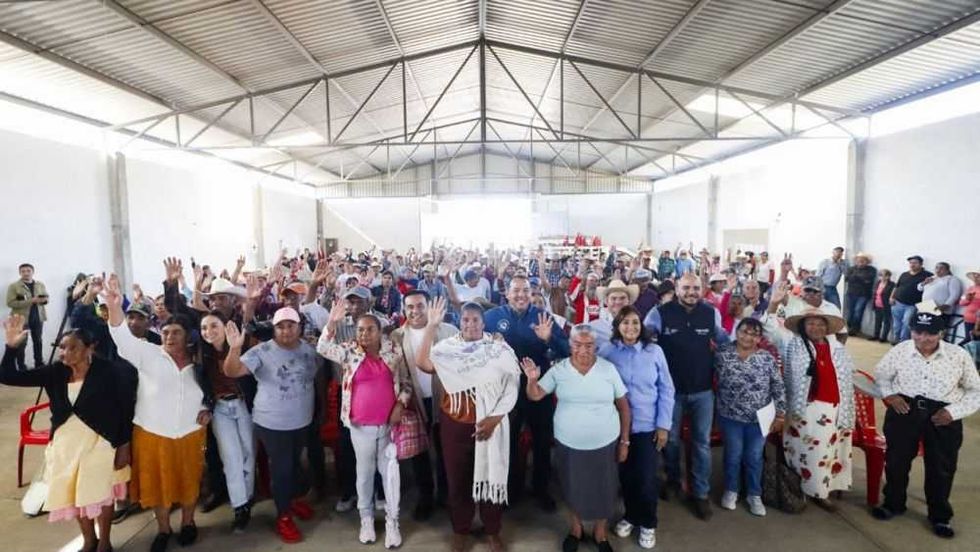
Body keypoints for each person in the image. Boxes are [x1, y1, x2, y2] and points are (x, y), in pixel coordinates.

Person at [2, 315, 136, 552]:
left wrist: (124, 445)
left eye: (73, 347)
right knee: (75, 492)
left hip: (100, 442)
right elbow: (8, 377)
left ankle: (104, 540)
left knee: (100, 493)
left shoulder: (109, 371)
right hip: (66, 443)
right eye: (62, 347)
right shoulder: (56, 372)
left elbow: (125, 409)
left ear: (90, 348)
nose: (66, 353)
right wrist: (11, 348)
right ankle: (89, 540)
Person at [104, 275, 209, 552]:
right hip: (151, 433)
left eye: (176, 333)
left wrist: (207, 408)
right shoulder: (149, 354)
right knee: (157, 485)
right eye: (165, 332)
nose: (169, 337)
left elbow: (210, 392)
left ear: (188, 337)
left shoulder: (199, 363)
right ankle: (163, 529)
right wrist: (115, 307)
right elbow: (121, 338)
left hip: (189, 432)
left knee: (189, 481)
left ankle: (188, 523)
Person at [416, 299, 520, 552]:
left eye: (475, 320)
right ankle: (460, 529)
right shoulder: (446, 348)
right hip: (455, 423)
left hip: (490, 423)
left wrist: (494, 418)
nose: (471, 324)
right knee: (457, 479)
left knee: (491, 474)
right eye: (466, 319)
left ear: (483, 323)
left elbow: (512, 384)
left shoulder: (497, 348)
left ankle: (492, 530)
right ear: (459, 322)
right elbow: (423, 364)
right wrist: (431, 326)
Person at [871, 309, 980, 538]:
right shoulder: (900, 350)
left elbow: (975, 390)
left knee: (941, 467)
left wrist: (953, 412)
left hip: (942, 415)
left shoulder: (958, 355)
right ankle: (893, 503)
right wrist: (890, 395)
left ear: (941, 333)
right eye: (918, 332)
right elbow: (881, 375)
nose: (923, 338)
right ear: (911, 331)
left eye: (930, 333)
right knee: (896, 460)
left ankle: (940, 516)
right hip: (905, 410)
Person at [523, 325, 630, 552]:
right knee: (573, 487)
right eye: (577, 345)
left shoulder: (608, 369)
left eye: (589, 345)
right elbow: (535, 395)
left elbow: (624, 408)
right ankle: (576, 529)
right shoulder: (559, 370)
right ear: (570, 345)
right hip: (568, 443)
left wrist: (624, 441)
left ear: (596, 347)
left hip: (605, 443)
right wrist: (532, 380)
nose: (583, 350)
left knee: (605, 488)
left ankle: (600, 533)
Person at [222, 308, 320, 544]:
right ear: (274, 329)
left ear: (300, 327)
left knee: (295, 464)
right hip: (273, 423)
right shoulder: (262, 351)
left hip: (301, 420)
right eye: (281, 326)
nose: (286, 330)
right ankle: (283, 515)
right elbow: (231, 371)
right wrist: (235, 348)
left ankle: (291, 501)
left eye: (291, 325)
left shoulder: (309, 349)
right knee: (282, 469)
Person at [319, 307, 410, 549]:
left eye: (370, 329)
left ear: (381, 332)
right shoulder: (349, 352)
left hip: (388, 426)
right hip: (360, 426)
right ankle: (366, 519)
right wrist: (331, 324)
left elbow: (407, 383)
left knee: (389, 474)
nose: (365, 334)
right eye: (360, 330)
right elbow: (323, 348)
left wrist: (401, 404)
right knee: (365, 473)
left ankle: (392, 521)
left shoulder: (393, 352)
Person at [643, 273, 729, 519]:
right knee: (669, 440)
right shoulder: (659, 313)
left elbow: (723, 341)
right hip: (671, 393)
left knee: (702, 444)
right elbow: (644, 339)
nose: (691, 292)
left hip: (703, 391)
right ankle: (672, 480)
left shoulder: (710, 313)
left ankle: (700, 493)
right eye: (686, 288)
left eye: (695, 288)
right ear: (676, 289)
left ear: (701, 290)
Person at [484, 276, 570, 511]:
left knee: (542, 440)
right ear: (507, 293)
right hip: (505, 390)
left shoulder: (543, 317)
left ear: (532, 294)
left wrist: (549, 338)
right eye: (516, 291)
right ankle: (511, 489)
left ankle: (541, 489)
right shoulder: (491, 318)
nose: (521, 295)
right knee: (507, 441)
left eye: (525, 291)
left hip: (538, 388)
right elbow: (475, 346)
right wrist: (490, 345)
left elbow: (567, 350)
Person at [598, 306, 673, 550]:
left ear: (641, 326)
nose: (631, 328)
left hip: (647, 425)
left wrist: (663, 426)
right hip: (617, 427)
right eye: (625, 323)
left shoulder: (654, 351)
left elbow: (666, 389)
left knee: (646, 479)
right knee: (627, 476)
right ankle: (631, 515)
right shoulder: (608, 351)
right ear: (617, 326)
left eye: (635, 323)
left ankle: (648, 522)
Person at [390, 290, 456, 521]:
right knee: (419, 454)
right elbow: (397, 373)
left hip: (444, 400)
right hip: (414, 401)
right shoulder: (396, 337)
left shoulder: (448, 331)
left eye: (420, 306)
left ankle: (446, 495)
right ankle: (425, 496)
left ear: (429, 307)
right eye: (410, 307)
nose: (415, 311)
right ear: (404, 309)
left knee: (445, 449)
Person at [782, 305, 855, 511]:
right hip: (807, 408)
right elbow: (772, 334)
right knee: (810, 452)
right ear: (803, 327)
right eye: (811, 323)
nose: (816, 327)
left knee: (830, 452)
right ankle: (810, 490)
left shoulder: (838, 348)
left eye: (820, 324)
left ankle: (823, 489)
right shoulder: (793, 345)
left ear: (827, 327)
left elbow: (849, 376)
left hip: (836, 407)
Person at [714, 318, 785, 517]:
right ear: (736, 332)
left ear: (759, 338)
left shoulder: (766, 358)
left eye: (754, 334)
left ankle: (754, 494)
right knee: (733, 455)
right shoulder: (722, 353)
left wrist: (780, 415)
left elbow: (778, 386)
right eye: (744, 331)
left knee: (754, 457)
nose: (748, 337)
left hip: (759, 418)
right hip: (730, 415)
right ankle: (731, 490)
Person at [198, 312, 255, 533]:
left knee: (248, 454)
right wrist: (206, 407)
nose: (208, 332)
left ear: (225, 326)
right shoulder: (202, 354)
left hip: (243, 406)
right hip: (221, 409)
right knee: (231, 458)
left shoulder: (241, 346)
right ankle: (240, 507)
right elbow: (201, 386)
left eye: (214, 326)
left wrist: (236, 347)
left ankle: (248, 496)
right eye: (204, 328)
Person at [6, 263, 49, 369]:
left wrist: (44, 300)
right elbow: (10, 303)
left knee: (38, 341)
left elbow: (46, 299)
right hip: (21, 320)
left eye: (28, 271)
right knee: (21, 344)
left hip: (38, 318)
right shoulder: (14, 286)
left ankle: (39, 364)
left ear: (32, 272)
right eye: (23, 271)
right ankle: (21, 366)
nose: (26, 273)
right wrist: (32, 301)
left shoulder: (40, 284)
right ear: (20, 273)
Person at [890, 255, 933, 343]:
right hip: (898, 302)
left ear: (921, 264)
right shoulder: (904, 274)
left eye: (915, 263)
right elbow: (896, 287)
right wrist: (891, 297)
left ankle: (903, 342)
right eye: (911, 263)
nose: (912, 265)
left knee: (907, 323)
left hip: (912, 305)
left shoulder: (927, 275)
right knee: (896, 324)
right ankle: (896, 338)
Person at [589, 279, 639, 349]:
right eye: (613, 298)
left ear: (628, 301)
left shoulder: (638, 327)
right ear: (607, 301)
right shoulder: (593, 328)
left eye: (622, 298)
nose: (618, 302)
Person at [844, 252, 877, 336]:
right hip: (851, 293)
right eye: (859, 260)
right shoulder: (851, 269)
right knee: (850, 312)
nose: (861, 262)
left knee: (858, 312)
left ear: (867, 261)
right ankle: (850, 327)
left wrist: (857, 277)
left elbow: (868, 280)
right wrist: (861, 278)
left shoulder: (872, 270)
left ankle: (855, 329)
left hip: (863, 295)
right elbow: (847, 278)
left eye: (863, 260)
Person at [871, 269, 896, 343]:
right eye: (880, 275)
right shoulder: (877, 283)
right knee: (877, 321)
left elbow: (893, 294)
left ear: (888, 276)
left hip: (886, 306)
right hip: (877, 304)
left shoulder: (892, 285)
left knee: (886, 322)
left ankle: (883, 337)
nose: (882, 277)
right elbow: (874, 294)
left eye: (884, 275)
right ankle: (876, 335)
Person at [959, 270, 980, 343]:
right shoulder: (970, 288)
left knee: (972, 340)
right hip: (969, 318)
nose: (976, 278)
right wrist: (967, 299)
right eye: (975, 276)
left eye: (978, 276)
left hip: (978, 320)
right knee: (969, 339)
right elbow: (961, 302)